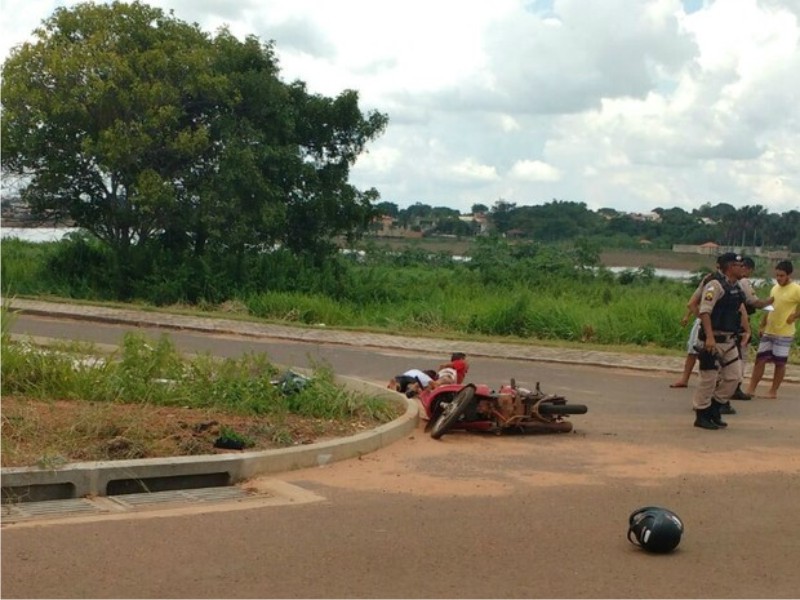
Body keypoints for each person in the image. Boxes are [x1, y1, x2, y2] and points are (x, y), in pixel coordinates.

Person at [691, 252, 749, 430]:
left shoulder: (737, 287)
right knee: (708, 378)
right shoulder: (714, 285)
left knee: (734, 377)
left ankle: (715, 408)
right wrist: (708, 337)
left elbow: (745, 307)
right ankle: (702, 414)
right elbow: (704, 311)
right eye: (739, 266)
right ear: (731, 267)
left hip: (729, 339)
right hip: (713, 339)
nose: (743, 269)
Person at [745, 260, 800, 399]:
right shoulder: (774, 288)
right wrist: (763, 324)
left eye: (781, 276)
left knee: (779, 363)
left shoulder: (796, 289)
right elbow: (769, 307)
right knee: (760, 360)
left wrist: (794, 316)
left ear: (788, 275)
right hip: (770, 329)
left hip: (784, 332)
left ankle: (773, 391)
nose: (779, 278)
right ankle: (751, 388)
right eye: (777, 275)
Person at [728, 256, 773, 400]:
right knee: (741, 356)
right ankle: (735, 386)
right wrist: (771, 301)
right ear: (748, 269)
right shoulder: (744, 281)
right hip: (740, 324)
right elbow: (754, 302)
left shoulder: (727, 282)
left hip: (729, 324)